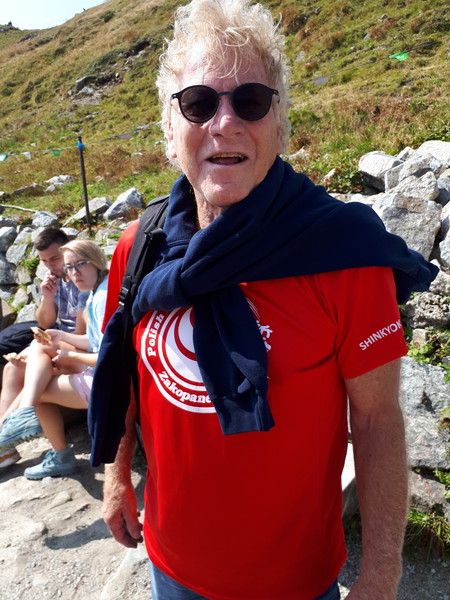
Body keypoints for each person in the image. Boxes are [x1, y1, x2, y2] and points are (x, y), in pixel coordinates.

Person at [96, 2, 438, 599]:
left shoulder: (342, 255)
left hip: (296, 580)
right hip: (171, 564)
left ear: (279, 124)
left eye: (251, 101)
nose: (225, 123)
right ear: (170, 130)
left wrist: (382, 574)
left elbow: (378, 421)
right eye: (199, 103)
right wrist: (117, 473)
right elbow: (124, 372)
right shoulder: (141, 246)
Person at [0, 240, 108, 479]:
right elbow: (91, 340)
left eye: (81, 264)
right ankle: (12, 427)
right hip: (97, 369)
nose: (74, 272)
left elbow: (109, 357)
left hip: (109, 381)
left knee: (37, 390)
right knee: (31, 358)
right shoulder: (95, 292)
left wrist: (70, 356)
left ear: (97, 261)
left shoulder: (101, 299)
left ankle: (55, 453)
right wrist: (61, 337)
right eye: (70, 267)